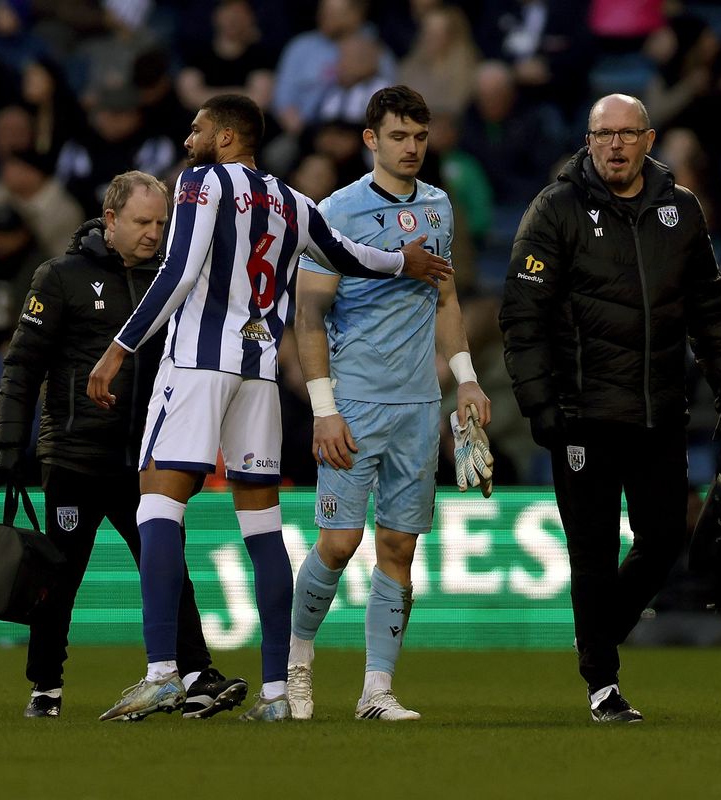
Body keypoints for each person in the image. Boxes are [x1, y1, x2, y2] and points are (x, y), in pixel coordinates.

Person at [87, 94, 451, 722]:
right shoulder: (291, 200)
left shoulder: (201, 181)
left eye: (198, 129)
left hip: (199, 365)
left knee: (158, 504)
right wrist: (404, 262)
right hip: (259, 373)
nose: (188, 139)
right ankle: (279, 693)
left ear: (227, 138)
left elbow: (177, 271)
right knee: (261, 527)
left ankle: (162, 673)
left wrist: (118, 350)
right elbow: (344, 253)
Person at [498, 93, 721, 723]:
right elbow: (521, 316)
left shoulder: (681, 211)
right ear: (589, 141)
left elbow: (710, 311)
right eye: (602, 134)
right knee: (591, 551)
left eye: (627, 134)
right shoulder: (554, 210)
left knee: (665, 538)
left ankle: (597, 635)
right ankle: (603, 685)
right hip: (582, 413)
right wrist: (540, 404)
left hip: (658, 412)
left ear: (649, 139)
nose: (614, 144)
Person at [0, 171, 248, 719]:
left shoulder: (173, 281)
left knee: (167, 568)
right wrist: (9, 444)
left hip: (147, 459)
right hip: (75, 457)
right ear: (110, 221)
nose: (154, 233)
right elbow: (21, 368)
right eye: (142, 222)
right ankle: (46, 687)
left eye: (161, 222)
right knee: (59, 577)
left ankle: (199, 673)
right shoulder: (60, 278)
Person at [285, 86, 490, 722]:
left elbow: (447, 300)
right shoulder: (336, 212)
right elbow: (309, 313)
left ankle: (377, 690)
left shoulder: (438, 206)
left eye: (420, 138)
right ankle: (295, 663)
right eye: (398, 137)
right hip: (355, 404)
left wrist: (467, 379)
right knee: (340, 542)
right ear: (371, 140)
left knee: (398, 549)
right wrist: (324, 407)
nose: (411, 149)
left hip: (419, 407)